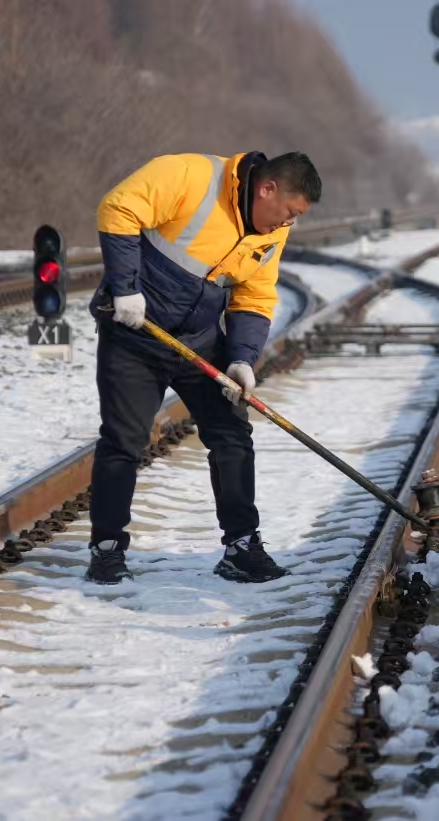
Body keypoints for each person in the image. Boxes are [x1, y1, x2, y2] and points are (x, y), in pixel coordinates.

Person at [87, 151, 322, 585]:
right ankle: (106, 550)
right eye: (288, 213)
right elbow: (118, 207)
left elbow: (254, 295)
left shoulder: (272, 232)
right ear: (267, 189)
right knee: (125, 441)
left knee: (232, 433)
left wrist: (241, 359)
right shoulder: (191, 176)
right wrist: (124, 287)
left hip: (196, 340)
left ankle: (241, 547)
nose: (287, 224)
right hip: (136, 332)